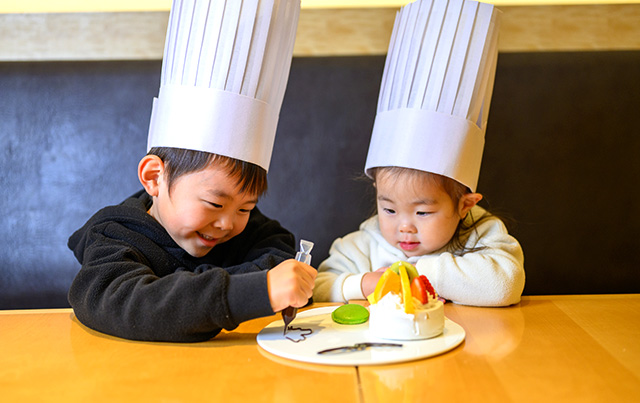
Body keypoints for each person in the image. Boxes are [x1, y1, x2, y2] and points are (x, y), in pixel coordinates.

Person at [68, 0, 315, 342]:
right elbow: (124, 304)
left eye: (246, 207)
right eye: (215, 204)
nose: (229, 223)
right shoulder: (114, 237)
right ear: (155, 177)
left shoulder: (245, 231)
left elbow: (279, 258)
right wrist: (253, 291)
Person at [314, 0, 524, 307]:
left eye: (422, 212)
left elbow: (505, 286)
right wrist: (362, 283)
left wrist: (417, 272)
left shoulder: (481, 234)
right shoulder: (365, 244)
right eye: (389, 209)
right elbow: (319, 287)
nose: (404, 226)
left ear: (465, 205)